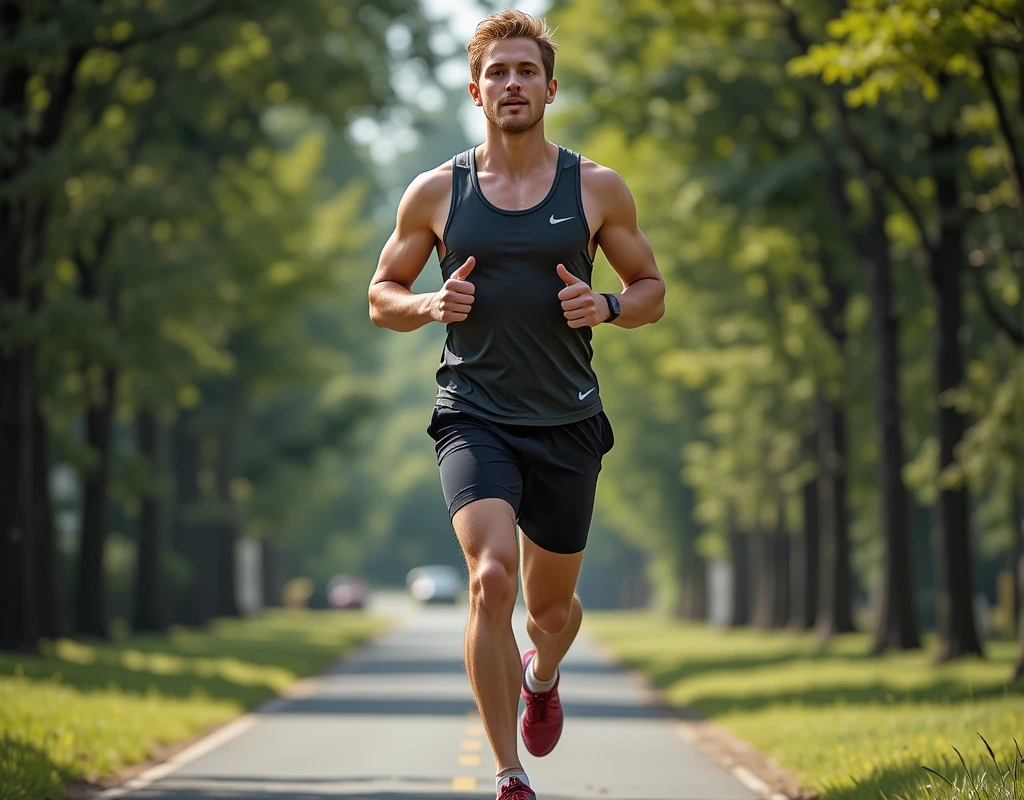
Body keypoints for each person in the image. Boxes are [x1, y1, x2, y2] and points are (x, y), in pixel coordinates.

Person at [368, 9, 665, 800]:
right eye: (496, 73)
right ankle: (509, 774)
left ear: (550, 88)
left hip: (568, 419)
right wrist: (429, 305)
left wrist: (607, 306)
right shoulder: (438, 192)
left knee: (549, 614)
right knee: (491, 577)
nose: (511, 84)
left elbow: (652, 290)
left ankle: (543, 674)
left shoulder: (595, 187)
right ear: (475, 91)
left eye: (526, 71)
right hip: (474, 414)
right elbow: (380, 295)